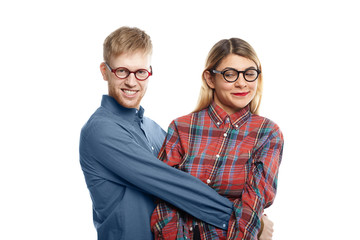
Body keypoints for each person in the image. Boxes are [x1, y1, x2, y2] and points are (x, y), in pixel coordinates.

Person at [79, 26, 237, 240]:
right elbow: (173, 184)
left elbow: (193, 175)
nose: (131, 82)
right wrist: (240, 218)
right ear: (105, 71)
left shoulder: (154, 129)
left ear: (149, 72)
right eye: (122, 71)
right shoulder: (100, 131)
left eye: (141, 72)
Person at [151, 38, 284, 239]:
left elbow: (253, 204)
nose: (242, 83)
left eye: (249, 74)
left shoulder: (267, 133)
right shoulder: (181, 128)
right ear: (210, 79)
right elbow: (165, 198)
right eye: (230, 74)